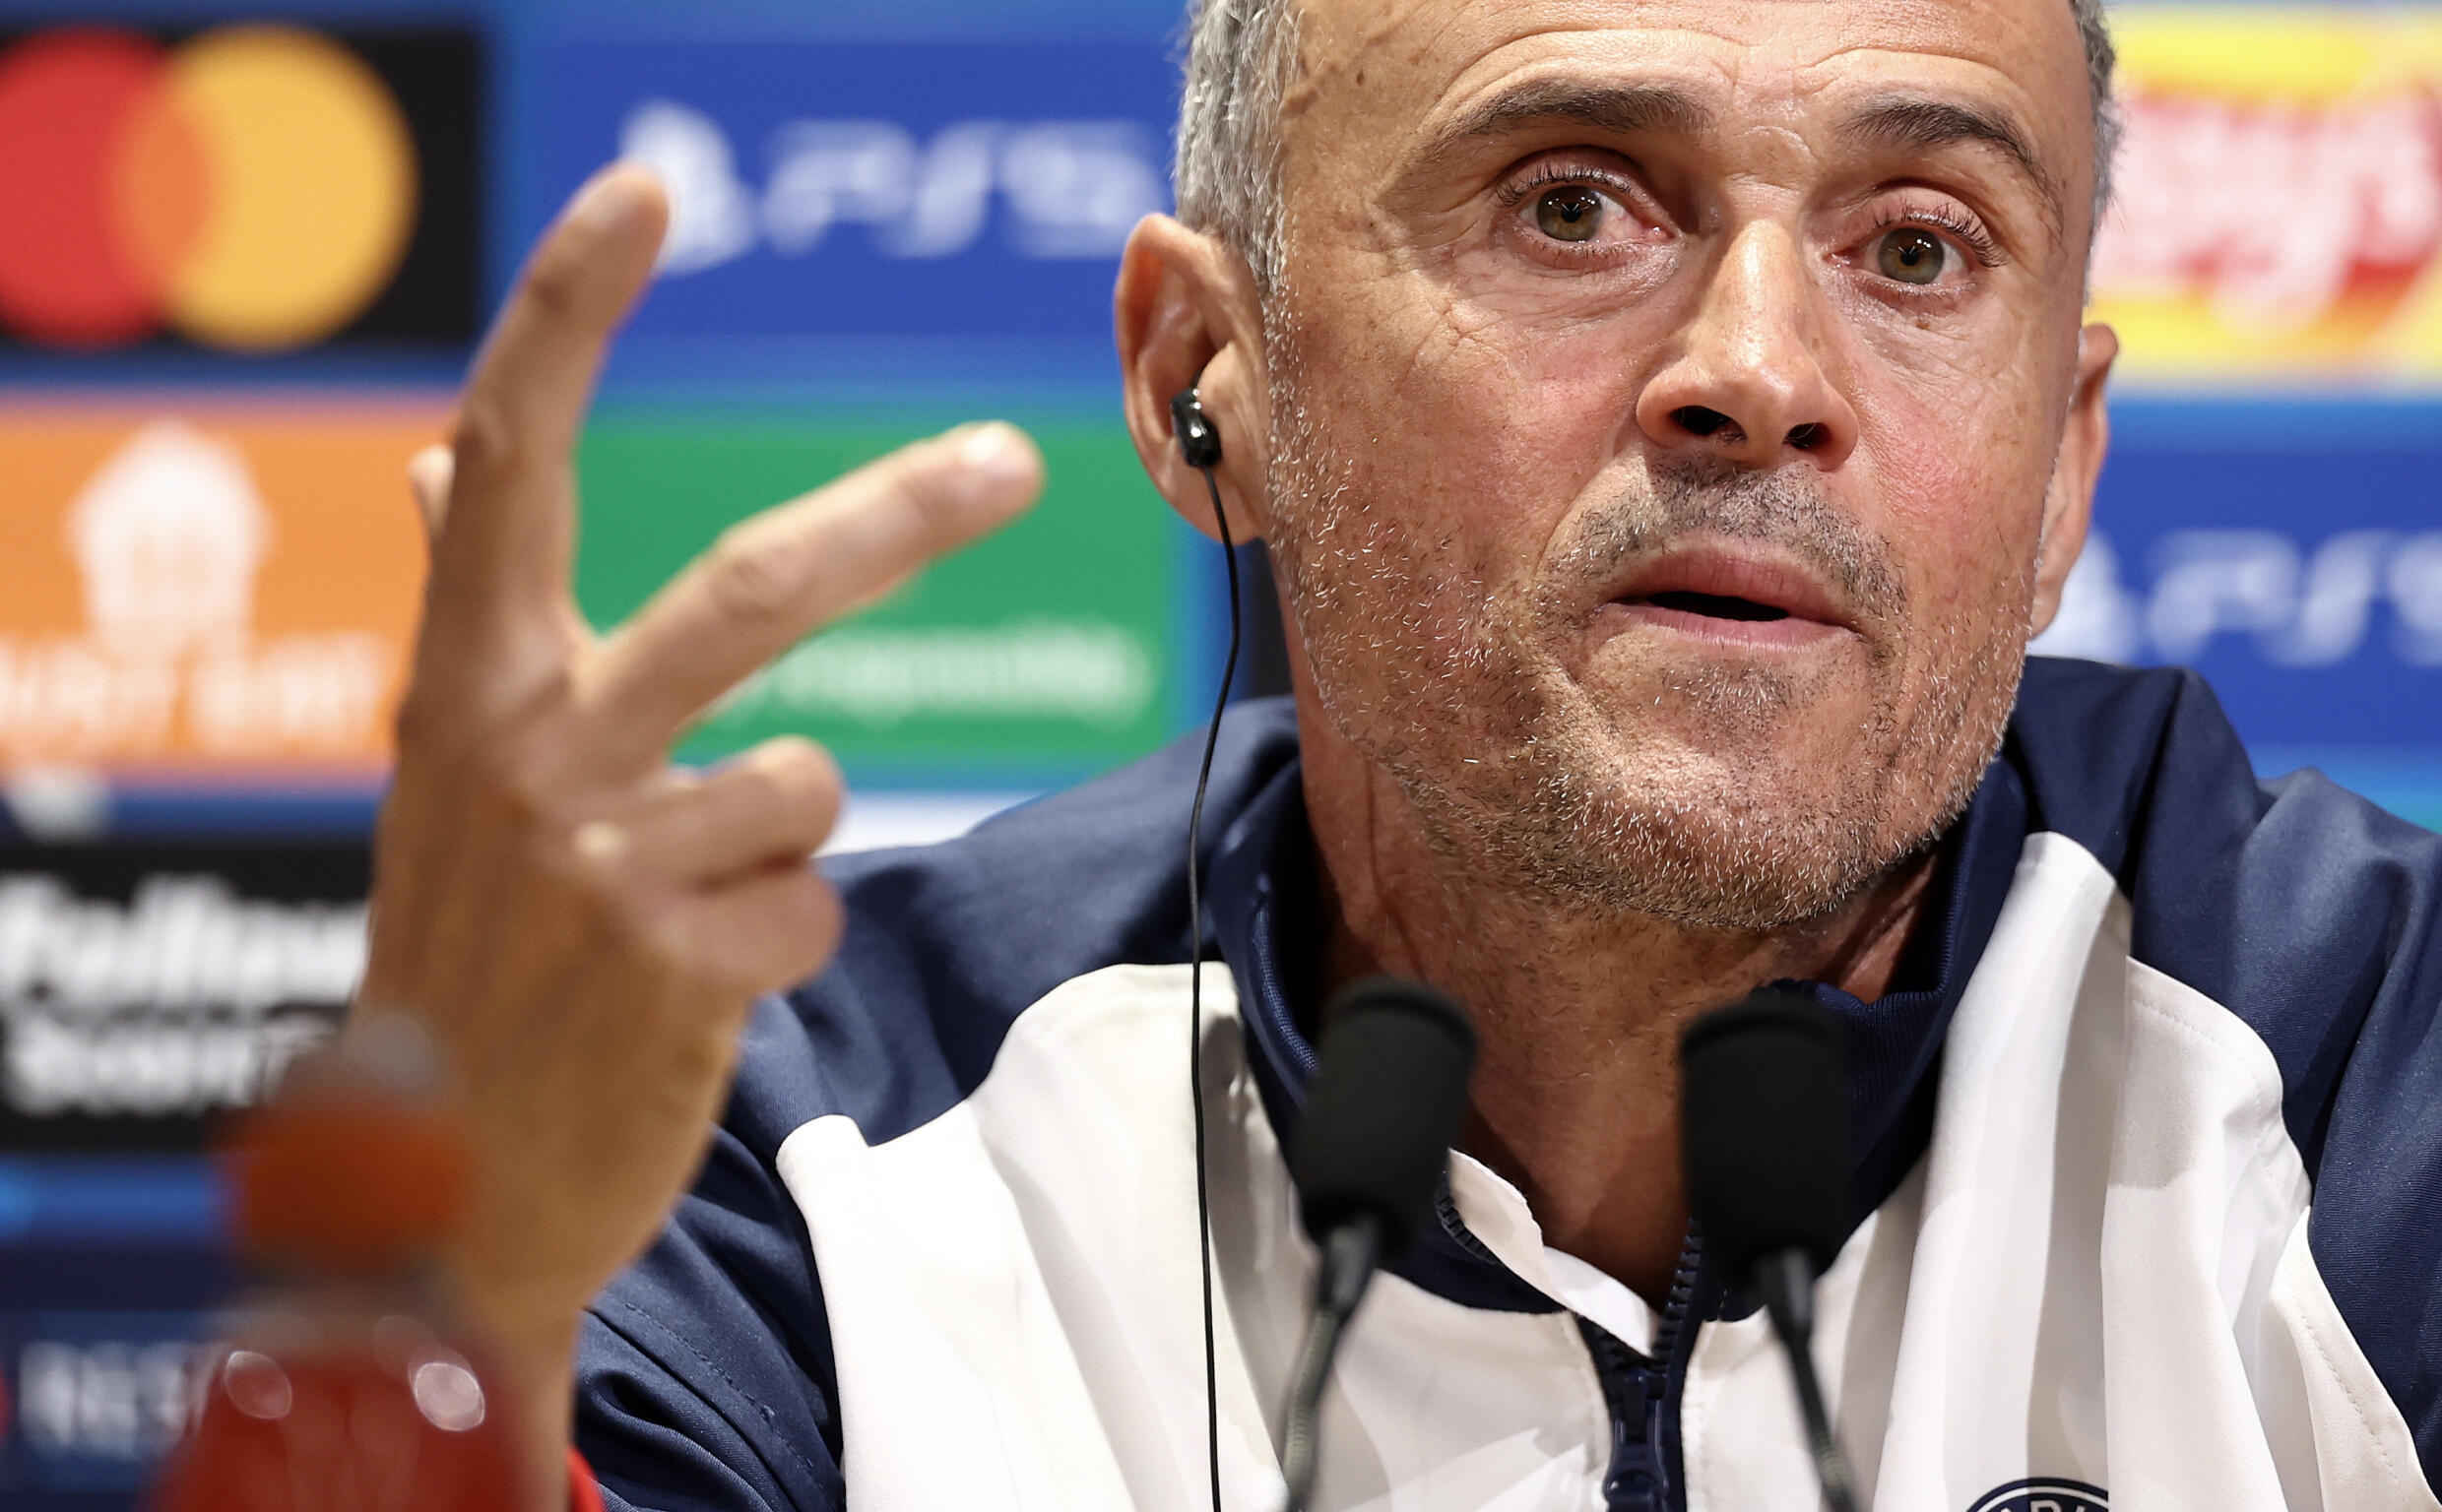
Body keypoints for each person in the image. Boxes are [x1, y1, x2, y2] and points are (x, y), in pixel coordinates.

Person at [359, 0, 2442, 1507]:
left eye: (1915, 248)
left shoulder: (2367, 1069)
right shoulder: (811, 1148)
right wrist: (434, 1304)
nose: (1761, 373)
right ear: (1208, 383)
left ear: (2065, 468)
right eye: (1570, 207)